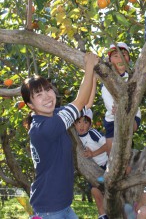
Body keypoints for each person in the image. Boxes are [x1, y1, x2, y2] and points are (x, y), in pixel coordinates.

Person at [21, 52, 98, 219]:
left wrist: (94, 74)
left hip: (62, 206)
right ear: (30, 105)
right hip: (50, 209)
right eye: (38, 95)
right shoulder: (45, 127)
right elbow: (78, 103)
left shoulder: (54, 116)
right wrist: (89, 66)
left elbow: (86, 103)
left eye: (48, 89)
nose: (47, 96)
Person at [101, 42, 141, 155]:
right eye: (116, 56)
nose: (120, 58)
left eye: (124, 55)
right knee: (111, 154)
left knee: (125, 137)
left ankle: (127, 162)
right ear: (109, 61)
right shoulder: (107, 80)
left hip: (132, 115)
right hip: (111, 119)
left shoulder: (133, 77)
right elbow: (107, 97)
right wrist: (113, 109)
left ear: (128, 59)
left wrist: (123, 110)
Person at [74, 109, 108, 219]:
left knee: (108, 191)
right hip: (94, 169)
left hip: (106, 165)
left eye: (85, 122)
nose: (82, 125)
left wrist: (93, 153)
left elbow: (108, 145)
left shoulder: (92, 133)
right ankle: (103, 215)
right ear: (74, 124)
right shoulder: (75, 138)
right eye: (78, 122)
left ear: (90, 124)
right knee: (94, 190)